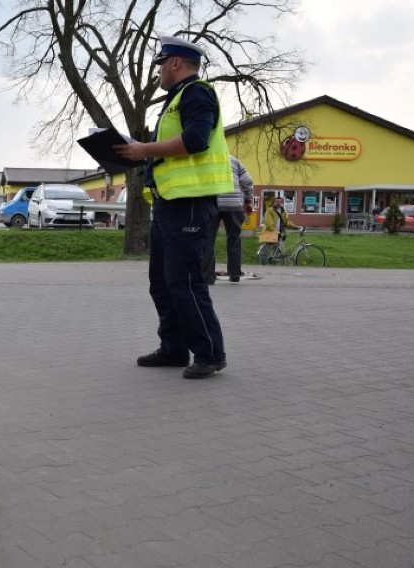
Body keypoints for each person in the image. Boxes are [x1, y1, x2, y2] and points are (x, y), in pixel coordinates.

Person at [113, 36, 234, 380]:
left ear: (176, 63)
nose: (159, 72)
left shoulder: (196, 93)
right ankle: (174, 348)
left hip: (191, 203)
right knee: (162, 282)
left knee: (186, 281)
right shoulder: (176, 99)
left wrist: (144, 149)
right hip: (170, 202)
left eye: (161, 64)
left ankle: (210, 353)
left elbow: (196, 140)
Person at [202, 156, 254, 284]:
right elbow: (247, 181)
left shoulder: (205, 159)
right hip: (233, 204)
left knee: (208, 240)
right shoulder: (234, 161)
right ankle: (235, 274)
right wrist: (247, 201)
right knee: (234, 238)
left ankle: (208, 277)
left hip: (211, 204)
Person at [259, 195, 300, 264]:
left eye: (280, 202)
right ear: (274, 202)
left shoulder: (284, 211)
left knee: (277, 249)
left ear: (282, 203)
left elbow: (286, 223)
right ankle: (262, 264)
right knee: (266, 249)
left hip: (279, 233)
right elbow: (269, 222)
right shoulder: (269, 210)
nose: (278, 203)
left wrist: (295, 227)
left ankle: (275, 263)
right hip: (270, 232)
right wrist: (275, 231)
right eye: (276, 201)